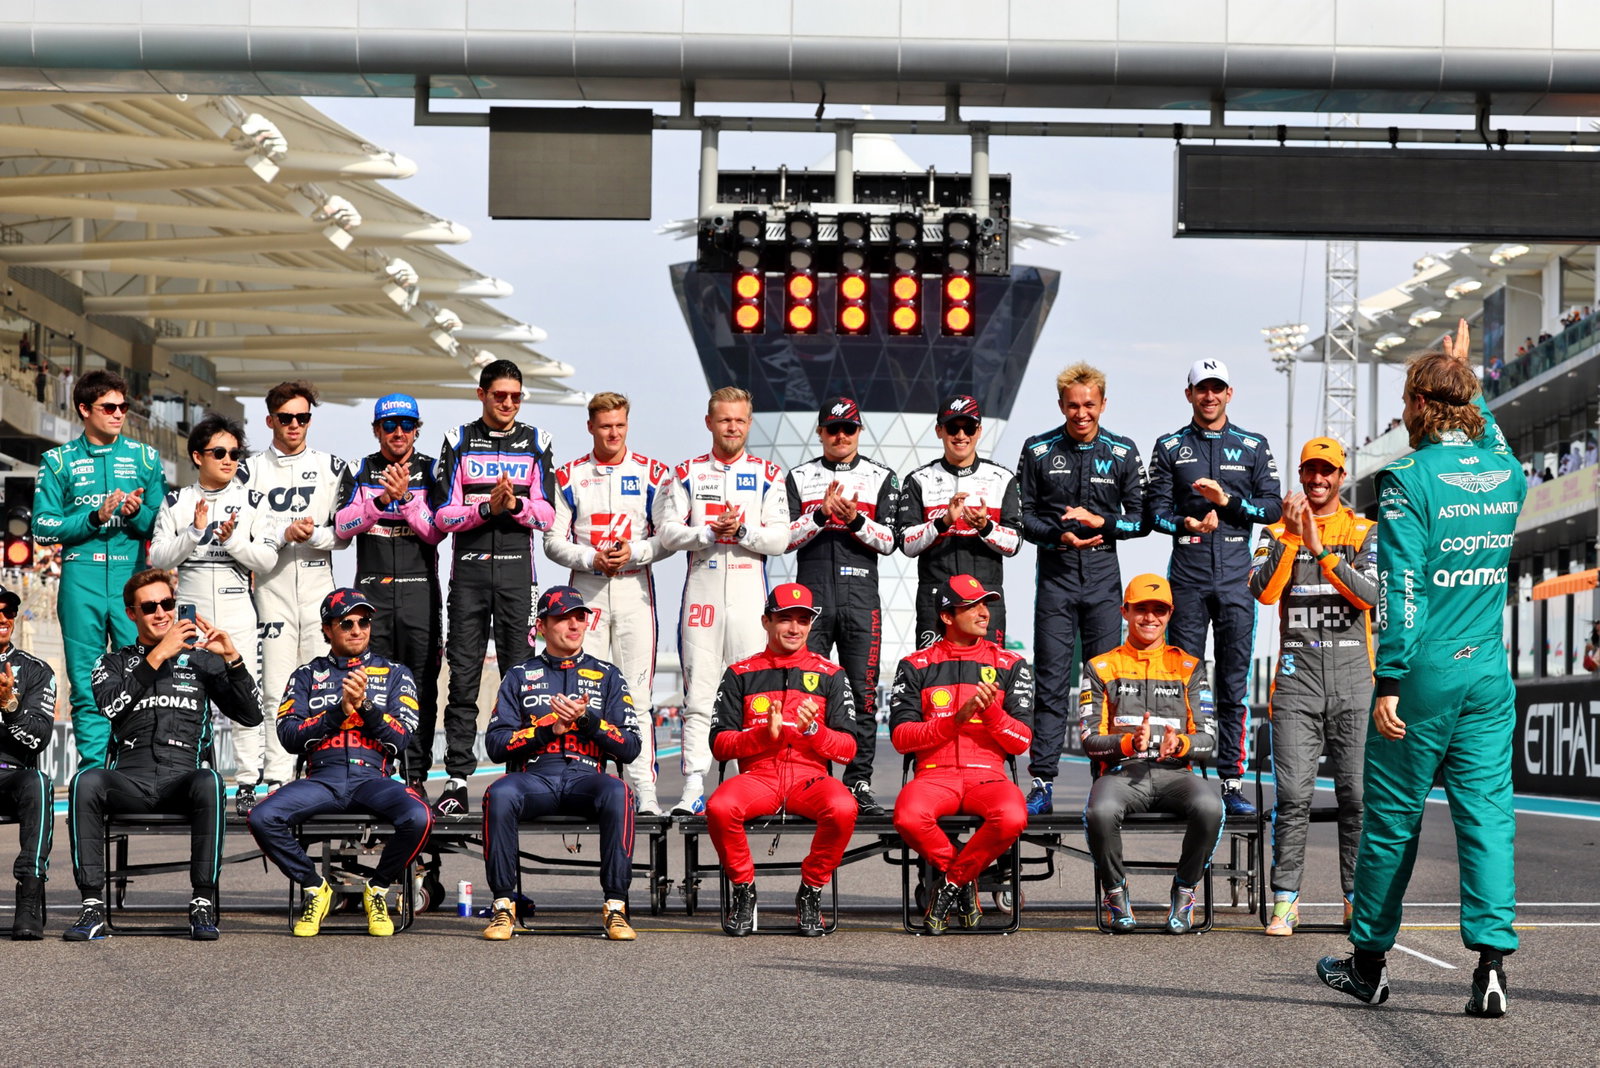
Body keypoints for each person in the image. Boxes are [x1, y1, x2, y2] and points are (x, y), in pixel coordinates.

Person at [1318, 319, 1526, 1018]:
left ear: (1414, 403)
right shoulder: (1505, 469)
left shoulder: (1406, 479)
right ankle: (1492, 968)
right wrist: (1463, 374)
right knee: (1490, 819)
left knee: (1392, 824)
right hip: (1489, 673)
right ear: (1466, 404)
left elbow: (1402, 590)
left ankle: (1369, 963)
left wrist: (1391, 681)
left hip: (1425, 674)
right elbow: (1487, 433)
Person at [64, 568, 260, 941]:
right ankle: (91, 906)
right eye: (149, 606)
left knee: (210, 780)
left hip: (181, 777)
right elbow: (111, 709)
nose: (161, 613)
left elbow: (250, 715)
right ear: (131, 614)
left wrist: (233, 659)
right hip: (130, 778)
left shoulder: (202, 662)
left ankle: (201, 902)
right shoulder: (113, 663)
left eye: (166, 604)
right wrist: (157, 657)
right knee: (85, 781)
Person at [248, 587, 432, 938]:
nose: (357, 629)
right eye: (346, 623)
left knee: (420, 816)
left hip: (373, 778)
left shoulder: (395, 673)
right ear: (327, 630)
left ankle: (377, 889)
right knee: (262, 817)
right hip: (322, 779)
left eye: (364, 621)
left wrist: (365, 708)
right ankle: (316, 887)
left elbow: (401, 738)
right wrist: (337, 712)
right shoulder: (305, 675)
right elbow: (288, 734)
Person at [1249, 436, 1376, 936]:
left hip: (1353, 681)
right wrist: (1293, 537)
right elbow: (1263, 592)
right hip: (1297, 683)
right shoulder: (1275, 531)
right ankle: (1285, 900)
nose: (1318, 480)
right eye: (1310, 471)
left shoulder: (1365, 530)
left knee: (1358, 796)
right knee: (1294, 795)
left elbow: (1367, 597)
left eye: (1328, 471)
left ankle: (1356, 899)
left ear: (1342, 477)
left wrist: (1321, 549)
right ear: (1300, 475)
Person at [1146, 358, 1283, 819]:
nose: (1209, 396)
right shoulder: (1168, 446)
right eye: (1201, 389)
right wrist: (1183, 521)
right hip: (1186, 571)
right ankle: (1181, 774)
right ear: (1189, 395)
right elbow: (1153, 513)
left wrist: (1228, 503)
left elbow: (1273, 510)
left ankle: (1229, 780)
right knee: (1183, 678)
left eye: (1217, 388)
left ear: (1230, 392)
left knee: (1232, 683)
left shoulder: (1252, 444)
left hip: (1235, 575)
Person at [1017, 362, 1147, 816]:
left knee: (1107, 683)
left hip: (1103, 579)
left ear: (1103, 404)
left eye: (1089, 404)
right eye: (1073, 405)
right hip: (1055, 576)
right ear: (1061, 405)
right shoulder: (1037, 449)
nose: (1081, 413)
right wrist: (1059, 533)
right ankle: (1043, 781)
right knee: (1051, 682)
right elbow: (1022, 518)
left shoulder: (1124, 451)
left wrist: (1102, 522)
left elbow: (1144, 518)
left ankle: (1107, 779)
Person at [479, 585, 642, 942]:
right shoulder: (519, 675)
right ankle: (504, 905)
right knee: (499, 794)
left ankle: (616, 905)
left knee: (620, 793)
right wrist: (549, 728)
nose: (573, 625)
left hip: (587, 777)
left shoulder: (608, 675)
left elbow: (630, 746)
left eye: (579, 617)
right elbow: (495, 744)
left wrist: (588, 722)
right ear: (540, 626)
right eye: (562, 618)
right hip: (535, 777)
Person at [433, 360, 557, 819]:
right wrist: (485, 509)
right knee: (462, 678)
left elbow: (548, 515)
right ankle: (457, 777)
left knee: (521, 678)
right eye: (500, 395)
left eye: (516, 396)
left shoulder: (537, 441)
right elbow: (442, 516)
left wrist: (517, 504)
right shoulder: (457, 440)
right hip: (466, 575)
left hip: (515, 577)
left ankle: (520, 770)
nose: (508, 403)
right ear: (481, 394)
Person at [658, 386, 789, 816]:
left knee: (753, 694)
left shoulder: (770, 474)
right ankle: (693, 785)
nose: (732, 427)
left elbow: (780, 538)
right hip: (703, 593)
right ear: (709, 422)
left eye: (739, 420)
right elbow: (668, 533)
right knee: (699, 693)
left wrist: (744, 531)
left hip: (751, 595)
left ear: (749, 424)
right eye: (724, 419)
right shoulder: (687, 472)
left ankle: (750, 783)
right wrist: (711, 532)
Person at [543, 391, 675, 816]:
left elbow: (668, 538)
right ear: (590, 427)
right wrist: (591, 558)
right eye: (605, 426)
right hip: (588, 592)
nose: (613, 433)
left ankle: (645, 792)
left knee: (638, 694)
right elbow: (552, 541)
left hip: (636, 590)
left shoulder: (655, 473)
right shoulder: (568, 475)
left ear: (627, 425)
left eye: (619, 425)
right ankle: (587, 785)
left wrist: (635, 552)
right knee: (585, 694)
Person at [707, 582, 859, 937]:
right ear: (766, 621)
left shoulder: (831, 674)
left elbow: (848, 748)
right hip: (759, 778)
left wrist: (813, 732)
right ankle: (744, 891)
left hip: (810, 779)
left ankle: (811, 891)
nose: (794, 628)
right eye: (784, 619)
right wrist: (763, 736)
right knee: (719, 807)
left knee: (843, 808)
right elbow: (720, 745)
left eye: (803, 620)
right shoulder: (740, 674)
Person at [34, 368, 165, 770]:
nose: (118, 414)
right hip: (81, 580)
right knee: (88, 683)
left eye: (123, 407)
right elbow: (42, 527)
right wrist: (94, 517)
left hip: (132, 580)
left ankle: (140, 766)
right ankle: (93, 775)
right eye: (109, 407)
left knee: (145, 674)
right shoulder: (57, 461)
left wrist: (136, 512)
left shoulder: (146, 457)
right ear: (84, 409)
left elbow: (161, 526)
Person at [148, 413, 279, 815]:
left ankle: (246, 780)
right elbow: (156, 556)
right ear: (197, 455)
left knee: (244, 691)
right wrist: (194, 532)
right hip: (190, 605)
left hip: (237, 602)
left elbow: (268, 559)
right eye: (219, 452)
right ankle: (191, 773)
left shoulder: (255, 500)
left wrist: (233, 539)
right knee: (187, 691)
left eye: (235, 453)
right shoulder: (176, 502)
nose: (229, 460)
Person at [1080, 574, 1223, 935]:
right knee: (1100, 811)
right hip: (1121, 774)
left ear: (1170, 614)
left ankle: (1185, 889)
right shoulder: (1100, 666)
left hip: (1176, 773)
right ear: (1124, 611)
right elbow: (1087, 740)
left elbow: (1208, 738)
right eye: (1141, 609)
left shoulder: (1189, 667)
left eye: (1159, 610)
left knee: (1210, 807)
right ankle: (1115, 891)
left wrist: (1182, 745)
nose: (1150, 618)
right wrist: (1129, 744)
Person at [891, 575, 1033, 935]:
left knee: (1013, 815)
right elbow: (901, 738)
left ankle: (951, 882)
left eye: (986, 604)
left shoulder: (1011, 664)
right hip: (934, 775)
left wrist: (991, 715)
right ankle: (965, 881)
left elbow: (1021, 741)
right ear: (947, 616)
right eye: (972, 605)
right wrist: (954, 721)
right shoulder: (915, 665)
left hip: (988, 775)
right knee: (908, 817)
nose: (984, 612)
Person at [784, 395, 898, 817]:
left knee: (862, 695)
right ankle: (810, 779)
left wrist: (853, 519)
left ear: (859, 432)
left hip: (860, 598)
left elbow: (891, 542)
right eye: (832, 429)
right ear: (820, 432)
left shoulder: (881, 476)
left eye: (848, 429)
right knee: (807, 692)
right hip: (810, 599)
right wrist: (818, 515)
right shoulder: (798, 476)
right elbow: (784, 538)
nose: (840, 436)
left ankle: (859, 782)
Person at [334, 393, 445, 800]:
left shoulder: (434, 470)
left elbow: (437, 531)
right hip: (372, 592)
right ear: (376, 430)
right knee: (370, 681)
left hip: (420, 592)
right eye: (389, 425)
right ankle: (374, 771)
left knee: (421, 686)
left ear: (417, 429)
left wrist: (407, 501)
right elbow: (342, 527)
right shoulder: (360, 469)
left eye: (406, 425)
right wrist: (380, 500)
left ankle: (416, 777)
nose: (398, 432)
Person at [243, 380, 349, 796]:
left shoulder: (332, 467)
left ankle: (325, 771)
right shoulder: (250, 470)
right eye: (285, 418)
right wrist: (283, 531)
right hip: (271, 588)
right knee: (276, 688)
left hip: (320, 587)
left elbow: (343, 534)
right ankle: (276, 776)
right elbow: (247, 533)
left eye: (302, 418)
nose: (294, 425)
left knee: (326, 683)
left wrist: (310, 536)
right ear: (270, 420)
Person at [899, 395, 1022, 650]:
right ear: (939, 430)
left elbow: (1015, 544)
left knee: (988, 681)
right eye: (953, 428)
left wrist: (985, 527)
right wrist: (942, 522)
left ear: (979, 431)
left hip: (986, 597)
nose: (961, 435)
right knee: (932, 680)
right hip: (935, 598)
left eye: (968, 428)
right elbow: (906, 544)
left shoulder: (1002, 478)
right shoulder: (919, 479)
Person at [0, 585, 57, 939]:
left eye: (8, 611)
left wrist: (9, 707)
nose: (2, 618)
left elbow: (38, 737)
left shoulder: (35, 670)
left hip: (11, 775)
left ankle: (29, 897)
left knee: (39, 783)